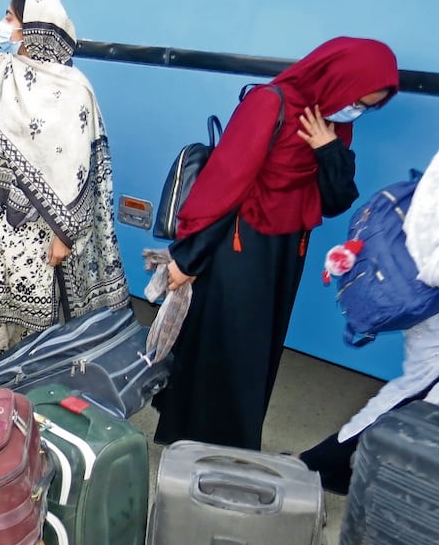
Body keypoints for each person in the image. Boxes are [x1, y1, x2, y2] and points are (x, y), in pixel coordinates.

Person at [154, 37, 399, 450]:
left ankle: (218, 444)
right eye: (357, 101)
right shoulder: (269, 104)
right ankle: (218, 447)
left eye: (367, 107)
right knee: (230, 348)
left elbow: (336, 200)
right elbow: (224, 187)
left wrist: (327, 149)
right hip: (238, 247)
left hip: (288, 251)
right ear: (337, 80)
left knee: (258, 352)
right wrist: (188, 258)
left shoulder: (334, 125)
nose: (356, 110)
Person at [0, 0, 130, 369]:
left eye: (10, 17)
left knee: (33, 323)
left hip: (38, 233)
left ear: (34, 28)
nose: (3, 24)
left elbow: (80, 167)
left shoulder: (74, 89)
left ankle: (26, 391)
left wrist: (64, 236)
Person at [299, 148, 439, 493]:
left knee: (416, 389)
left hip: (424, 287)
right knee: (418, 391)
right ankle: (322, 463)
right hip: (430, 297)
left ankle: (329, 463)